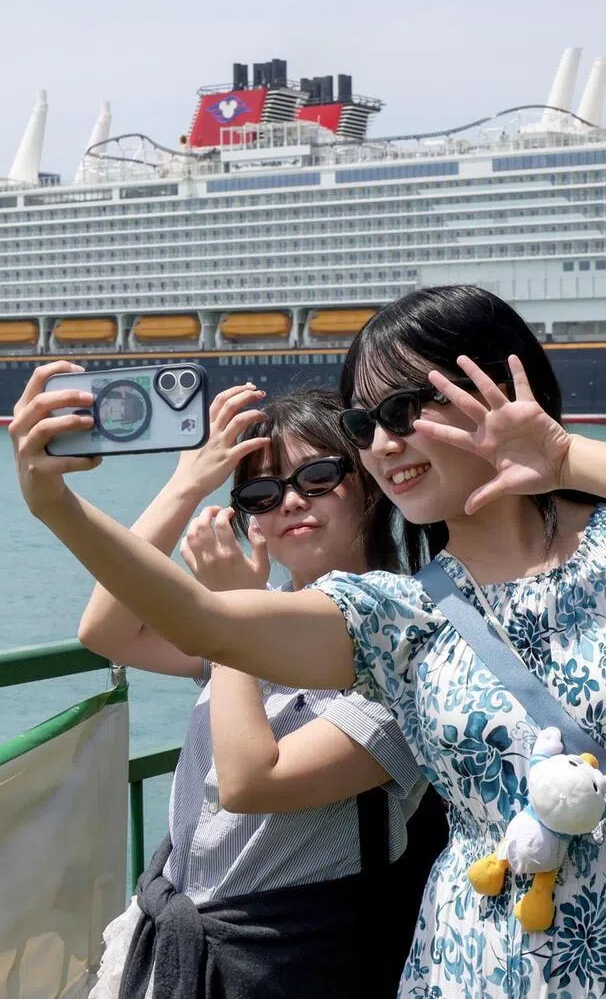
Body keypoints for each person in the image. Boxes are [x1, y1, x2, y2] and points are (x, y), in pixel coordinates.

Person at [11, 285, 606, 998]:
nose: (384, 442)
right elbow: (202, 624)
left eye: (405, 408)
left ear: (503, 385)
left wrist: (562, 457)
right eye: (365, 424)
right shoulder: (399, 613)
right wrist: (58, 508)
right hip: (478, 965)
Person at [76, 383, 442, 999]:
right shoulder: (258, 619)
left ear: (373, 483)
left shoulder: (408, 641)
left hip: (294, 956)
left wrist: (224, 616)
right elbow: (107, 631)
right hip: (186, 942)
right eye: (262, 494)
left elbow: (253, 783)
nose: (290, 503)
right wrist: (185, 484)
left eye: (319, 476)